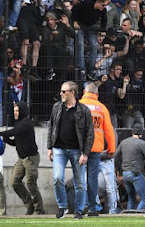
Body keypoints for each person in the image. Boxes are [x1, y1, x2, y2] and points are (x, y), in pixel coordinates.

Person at [47, 81, 94, 219]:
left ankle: (79, 210)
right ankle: (62, 207)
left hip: (76, 150)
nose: (61, 94)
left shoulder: (84, 110)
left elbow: (90, 133)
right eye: (61, 91)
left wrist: (85, 153)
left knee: (80, 182)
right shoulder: (56, 107)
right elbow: (51, 127)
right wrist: (49, 147)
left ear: (72, 93)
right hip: (59, 149)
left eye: (64, 91)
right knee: (57, 178)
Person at [0, 102, 45, 215]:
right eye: (14, 111)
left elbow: (15, 131)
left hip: (31, 158)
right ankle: (29, 204)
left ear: (22, 111)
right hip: (22, 158)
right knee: (15, 182)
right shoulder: (19, 124)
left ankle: (39, 209)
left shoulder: (26, 123)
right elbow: (17, 142)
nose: (15, 113)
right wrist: (6, 139)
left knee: (30, 183)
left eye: (17, 111)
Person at [79, 82, 116, 216]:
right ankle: (92, 207)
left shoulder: (78, 105)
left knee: (80, 177)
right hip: (96, 148)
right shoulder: (101, 108)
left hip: (80, 148)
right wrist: (111, 148)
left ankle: (81, 206)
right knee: (92, 178)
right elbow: (109, 131)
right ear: (97, 94)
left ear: (84, 92)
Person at [115, 124, 145, 210]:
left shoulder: (124, 142)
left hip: (125, 174)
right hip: (135, 173)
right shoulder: (142, 143)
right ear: (141, 133)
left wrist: (118, 172)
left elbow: (116, 156)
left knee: (131, 199)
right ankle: (137, 216)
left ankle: (130, 217)